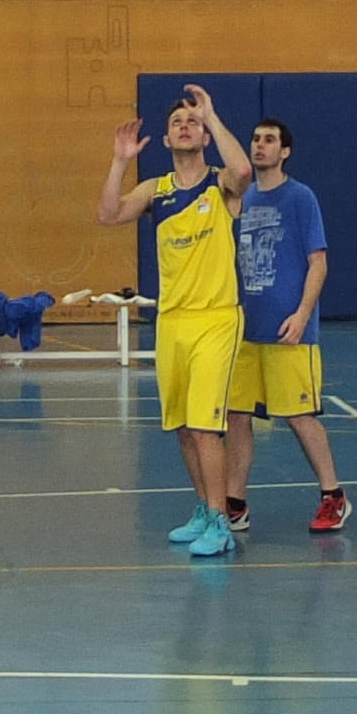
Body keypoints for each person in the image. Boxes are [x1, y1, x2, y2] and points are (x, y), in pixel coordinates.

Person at [98, 84, 250, 558]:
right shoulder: (156, 190)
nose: (185, 127)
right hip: (172, 322)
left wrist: (212, 114)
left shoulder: (220, 185)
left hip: (216, 319)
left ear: (204, 136)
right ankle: (204, 509)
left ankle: (222, 523)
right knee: (184, 427)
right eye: (177, 123)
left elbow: (245, 171)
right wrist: (120, 161)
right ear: (165, 140)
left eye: (192, 122)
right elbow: (108, 214)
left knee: (206, 427)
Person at [227, 118, 349, 534]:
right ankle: (234, 503)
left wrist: (302, 314)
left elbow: (319, 262)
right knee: (237, 416)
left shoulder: (300, 197)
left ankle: (333, 496)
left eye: (269, 140)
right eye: (255, 139)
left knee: (299, 416)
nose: (259, 145)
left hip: (289, 332)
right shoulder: (241, 199)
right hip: (246, 331)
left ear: (285, 151)